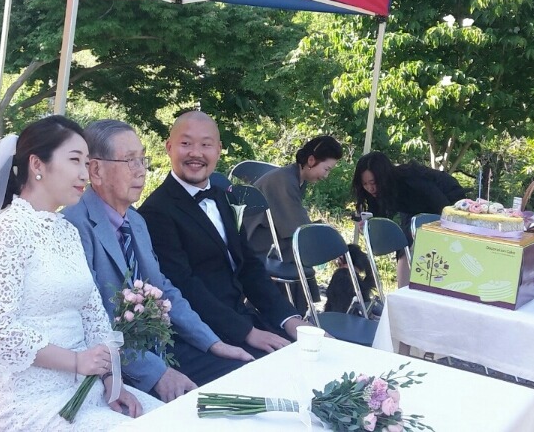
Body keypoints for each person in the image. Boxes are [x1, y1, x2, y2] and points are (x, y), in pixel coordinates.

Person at [0, 115, 160, 432]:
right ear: (37, 165)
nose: (85, 173)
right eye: (74, 160)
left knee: (174, 418)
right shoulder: (9, 231)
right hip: (34, 402)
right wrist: (76, 361)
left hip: (88, 390)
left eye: (86, 162)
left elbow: (93, 314)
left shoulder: (66, 230)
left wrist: (113, 381)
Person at [62, 119, 253, 402]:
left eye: (143, 159)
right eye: (130, 160)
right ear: (96, 170)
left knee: (243, 375)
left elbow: (163, 289)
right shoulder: (73, 226)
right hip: (113, 366)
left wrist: (212, 342)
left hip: (163, 346)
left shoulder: (136, 221)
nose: (142, 171)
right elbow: (91, 321)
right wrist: (157, 373)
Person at [139, 111, 310, 358]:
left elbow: (249, 266)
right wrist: (247, 332)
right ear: (169, 147)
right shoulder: (156, 211)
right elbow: (183, 285)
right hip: (201, 336)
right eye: (186, 143)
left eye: (206, 145)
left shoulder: (223, 197)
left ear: (218, 150)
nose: (196, 153)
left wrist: (289, 319)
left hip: (242, 317)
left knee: (311, 354)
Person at [243, 135, 343, 315]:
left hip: (270, 233)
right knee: (297, 251)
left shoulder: (295, 177)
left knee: (300, 247)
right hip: (256, 240)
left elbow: (294, 219)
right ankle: (289, 311)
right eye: (326, 169)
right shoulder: (284, 180)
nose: (326, 175)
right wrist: (328, 244)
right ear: (311, 160)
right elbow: (297, 226)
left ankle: (289, 310)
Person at [352, 151, 467, 287]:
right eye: (365, 184)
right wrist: (369, 227)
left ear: (383, 178)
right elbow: (379, 219)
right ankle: (404, 289)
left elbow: (442, 205)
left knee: (418, 240)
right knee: (404, 244)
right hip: (413, 209)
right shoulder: (375, 192)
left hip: (447, 200)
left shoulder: (412, 179)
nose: (370, 188)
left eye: (373, 182)